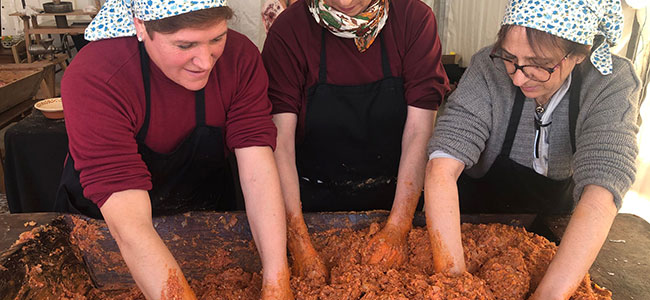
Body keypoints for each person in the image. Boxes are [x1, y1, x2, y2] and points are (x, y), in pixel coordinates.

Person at [56, 0, 293, 298]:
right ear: (141, 27)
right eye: (184, 45)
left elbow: (258, 167)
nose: (206, 62)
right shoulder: (97, 74)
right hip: (109, 230)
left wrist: (276, 283)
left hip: (202, 214)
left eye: (217, 38)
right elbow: (129, 226)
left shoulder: (240, 57)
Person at [425, 0, 641, 299]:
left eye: (539, 65)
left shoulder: (610, 82)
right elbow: (442, 166)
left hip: (553, 227)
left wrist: (548, 295)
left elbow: (602, 189)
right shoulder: (487, 67)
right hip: (470, 222)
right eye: (510, 57)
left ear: (579, 53)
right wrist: (455, 281)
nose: (517, 77)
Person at [261, 0, 449, 279]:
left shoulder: (413, 19)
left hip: (396, 196)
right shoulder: (290, 29)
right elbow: (281, 143)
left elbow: (419, 131)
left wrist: (398, 227)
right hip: (311, 202)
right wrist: (299, 242)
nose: (345, 3)